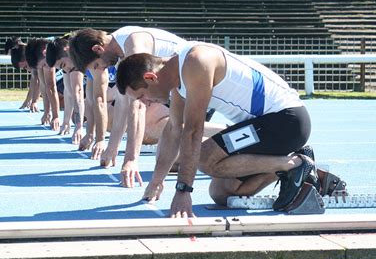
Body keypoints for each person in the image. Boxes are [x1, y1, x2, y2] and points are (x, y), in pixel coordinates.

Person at [116, 41, 319, 218]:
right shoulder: (177, 78)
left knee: (205, 159)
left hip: (286, 120)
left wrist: (183, 191)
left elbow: (193, 131)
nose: (145, 102)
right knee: (222, 193)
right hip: (265, 125)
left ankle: (295, 164)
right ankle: (295, 167)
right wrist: (156, 181)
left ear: (151, 78)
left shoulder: (196, 62)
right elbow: (173, 129)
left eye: (141, 96)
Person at [69, 26, 187, 187]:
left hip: (197, 92)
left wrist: (131, 159)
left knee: (150, 125)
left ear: (98, 48)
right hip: (177, 95)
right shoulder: (121, 55)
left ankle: (223, 133)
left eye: (97, 65)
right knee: (171, 160)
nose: (102, 70)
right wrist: (112, 148)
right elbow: (123, 103)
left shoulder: (133, 45)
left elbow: (137, 107)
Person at [46, 35, 172, 153]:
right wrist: (92, 135)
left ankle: (172, 134)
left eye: (63, 65)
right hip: (160, 92)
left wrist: (130, 157)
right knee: (119, 109)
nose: (67, 71)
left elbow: (132, 104)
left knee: (135, 111)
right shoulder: (97, 61)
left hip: (170, 92)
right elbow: (92, 100)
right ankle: (164, 136)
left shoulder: (128, 48)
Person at [25, 38, 63, 133]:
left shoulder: (64, 51)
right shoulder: (43, 55)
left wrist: (56, 116)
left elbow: (51, 86)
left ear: (45, 53)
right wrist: (47, 112)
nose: (45, 67)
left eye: (44, 65)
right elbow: (44, 85)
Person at [4, 37, 40, 113]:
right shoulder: (28, 51)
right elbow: (34, 79)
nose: (13, 56)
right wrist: (28, 99)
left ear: (16, 47)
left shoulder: (33, 52)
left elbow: (38, 81)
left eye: (11, 54)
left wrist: (34, 101)